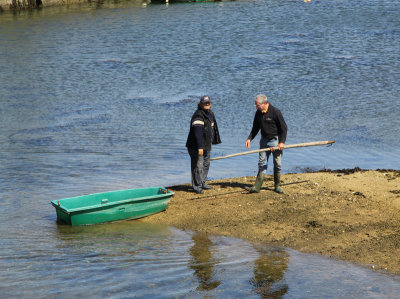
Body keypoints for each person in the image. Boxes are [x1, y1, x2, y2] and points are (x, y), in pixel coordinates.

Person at [245, 94, 287, 193]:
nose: (256, 107)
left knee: (277, 164)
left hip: (275, 141)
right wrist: (249, 139)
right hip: (263, 141)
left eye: (257, 105)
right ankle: (257, 187)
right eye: (256, 105)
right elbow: (255, 128)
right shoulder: (258, 113)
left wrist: (281, 142)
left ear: (264, 103)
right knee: (262, 163)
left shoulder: (276, 112)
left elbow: (284, 128)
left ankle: (277, 186)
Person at [186, 96, 221, 194]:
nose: (207, 104)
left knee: (206, 164)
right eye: (205, 103)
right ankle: (197, 186)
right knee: (198, 166)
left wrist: (213, 142)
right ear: (200, 104)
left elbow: (212, 130)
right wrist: (200, 147)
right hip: (196, 146)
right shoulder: (198, 115)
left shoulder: (210, 114)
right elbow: (198, 133)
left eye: (208, 103)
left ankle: (202, 182)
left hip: (206, 145)